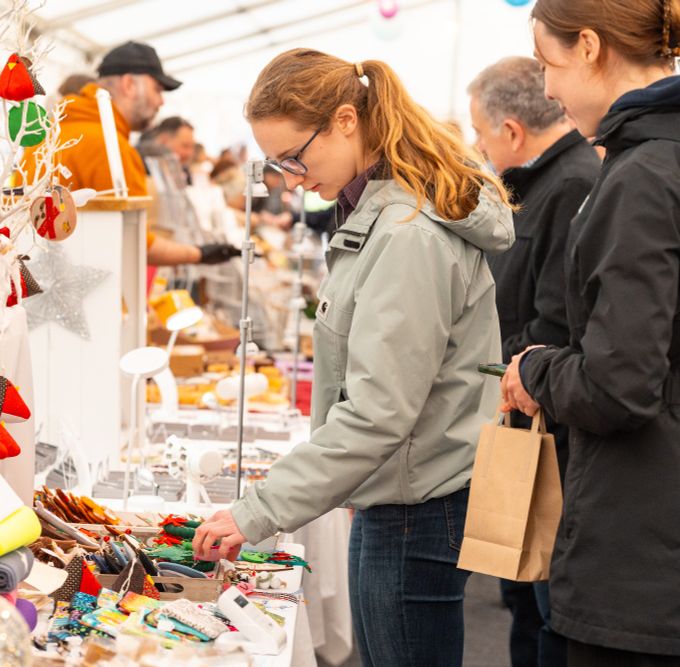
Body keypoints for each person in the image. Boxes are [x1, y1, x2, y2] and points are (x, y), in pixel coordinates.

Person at [192, 48, 514, 666]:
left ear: (345, 121)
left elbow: (379, 411)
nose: (291, 178)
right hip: (404, 492)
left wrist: (259, 510)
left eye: (295, 157)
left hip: (416, 505)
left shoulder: (404, 234)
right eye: (277, 164)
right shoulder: (382, 215)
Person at [501, 1, 680, 665]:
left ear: (588, 47)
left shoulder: (641, 177)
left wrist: (537, 367)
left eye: (549, 65)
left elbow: (620, 383)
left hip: (640, 563)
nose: (547, 88)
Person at [468, 55, 600, 667]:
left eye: (479, 131)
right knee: (527, 600)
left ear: (511, 131)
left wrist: (506, 365)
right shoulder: (546, 183)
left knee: (544, 610)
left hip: (550, 426)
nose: (477, 144)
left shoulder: (569, 184)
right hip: (534, 413)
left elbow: (558, 320)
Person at [23, 42, 237, 267]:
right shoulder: (110, 147)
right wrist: (200, 254)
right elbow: (134, 240)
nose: (161, 101)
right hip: (89, 293)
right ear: (129, 84)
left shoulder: (53, 130)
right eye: (157, 89)